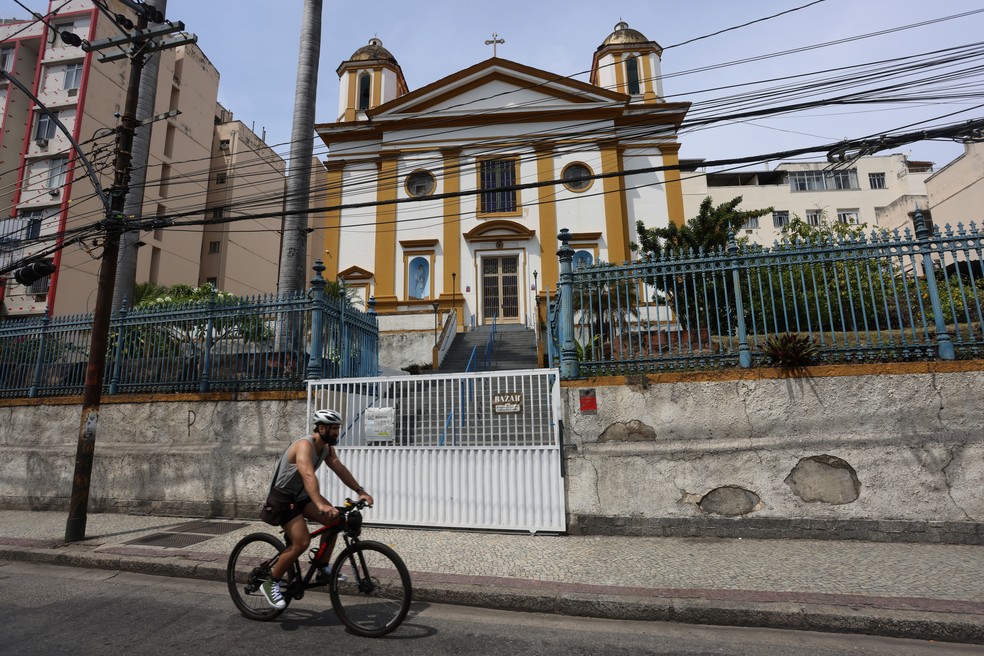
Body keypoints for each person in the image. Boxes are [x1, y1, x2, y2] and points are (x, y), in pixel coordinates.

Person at [260, 408, 374, 609]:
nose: (337, 433)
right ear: (321, 428)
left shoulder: (327, 448)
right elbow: (308, 475)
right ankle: (271, 582)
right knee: (302, 542)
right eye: (334, 429)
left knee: (337, 520)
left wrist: (360, 491)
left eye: (338, 428)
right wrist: (321, 504)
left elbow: (339, 468)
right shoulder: (304, 446)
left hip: (302, 496)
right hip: (284, 499)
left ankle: (322, 566)